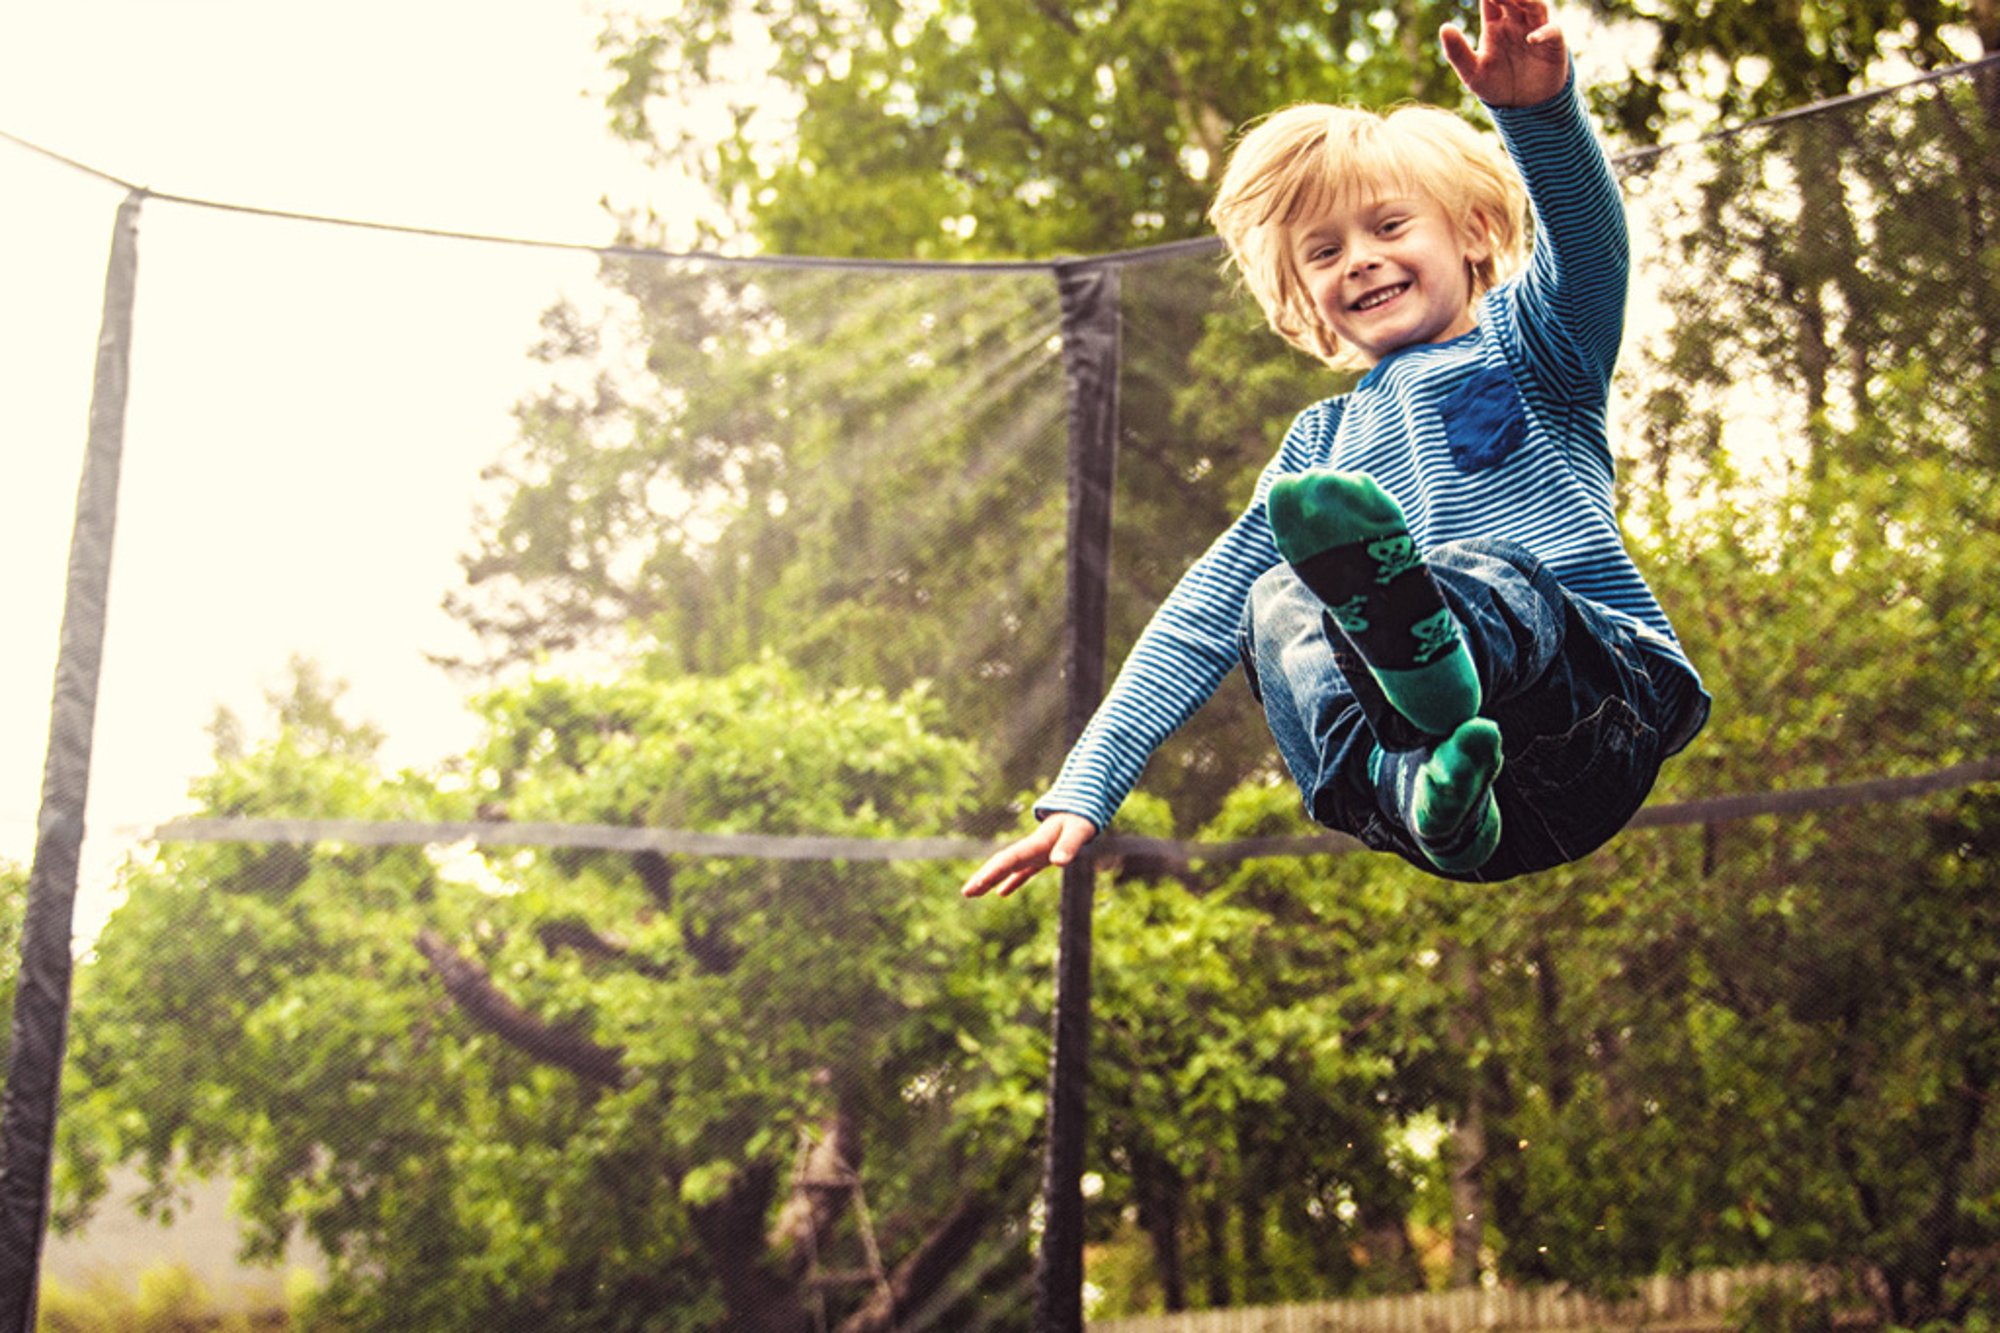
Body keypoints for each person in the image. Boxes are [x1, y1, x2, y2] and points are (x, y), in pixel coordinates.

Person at [961, 0, 1709, 898]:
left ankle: (1438, 663)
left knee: (1490, 567)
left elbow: (1591, 252)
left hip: (1589, 715)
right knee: (1272, 599)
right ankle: (1422, 780)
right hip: (1462, 809)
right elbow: (1200, 615)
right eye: (1325, 250)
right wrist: (1088, 785)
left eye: (1390, 228)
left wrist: (1538, 113)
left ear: (1472, 233)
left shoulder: (1533, 345)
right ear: (1300, 293)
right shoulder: (1319, 453)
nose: (1358, 259)